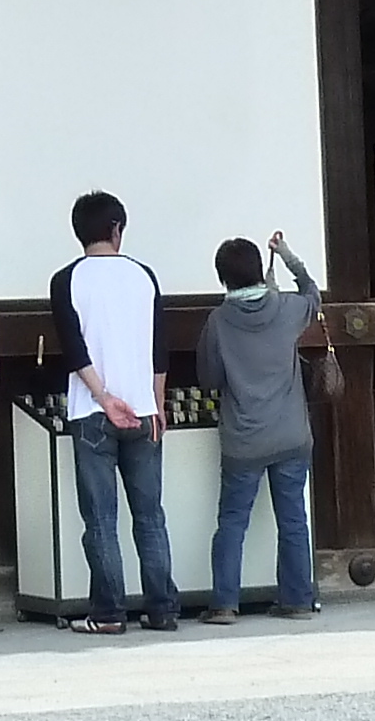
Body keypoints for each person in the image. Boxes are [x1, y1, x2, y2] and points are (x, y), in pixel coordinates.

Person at [189, 229, 336, 623]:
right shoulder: (287, 309)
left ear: (223, 278)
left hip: (244, 439)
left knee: (232, 522)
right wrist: (285, 252)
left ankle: (224, 603)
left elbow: (209, 378)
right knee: (293, 520)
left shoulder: (218, 322)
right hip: (291, 434)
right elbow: (311, 293)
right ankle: (298, 601)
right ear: (258, 269)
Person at [48, 190, 176, 634]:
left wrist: (103, 398)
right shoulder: (145, 277)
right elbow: (159, 349)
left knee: (101, 520)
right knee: (150, 515)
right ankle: (162, 609)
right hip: (144, 412)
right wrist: (157, 406)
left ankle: (108, 613)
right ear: (117, 228)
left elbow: (73, 349)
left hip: (92, 413)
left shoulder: (66, 280)